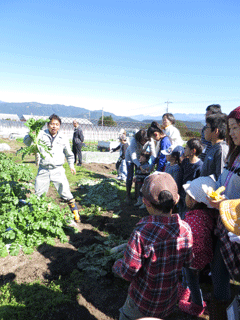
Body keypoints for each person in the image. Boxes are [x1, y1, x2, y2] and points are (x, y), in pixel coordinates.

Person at [112, 172, 193, 320]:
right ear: (177, 199)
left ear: (145, 201)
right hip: (168, 302)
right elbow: (188, 262)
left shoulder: (141, 233)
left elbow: (128, 272)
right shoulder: (186, 229)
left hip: (143, 302)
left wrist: (116, 265)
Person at [206, 106, 240, 319]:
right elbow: (223, 180)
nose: (233, 132)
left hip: (237, 226)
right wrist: (212, 191)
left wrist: (228, 204)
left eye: (236, 127)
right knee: (219, 269)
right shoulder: (234, 155)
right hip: (225, 223)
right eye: (230, 128)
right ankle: (221, 308)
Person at [24, 114, 80, 222]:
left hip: (58, 169)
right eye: (52, 124)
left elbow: (69, 154)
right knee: (38, 193)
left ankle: (75, 213)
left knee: (65, 192)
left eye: (57, 124)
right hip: (43, 169)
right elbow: (26, 143)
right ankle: (35, 216)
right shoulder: (40, 134)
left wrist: (71, 166)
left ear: (59, 126)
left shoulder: (63, 137)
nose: (54, 126)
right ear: (48, 125)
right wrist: (31, 134)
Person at [178, 176, 218, 316]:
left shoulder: (194, 218)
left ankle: (197, 306)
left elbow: (196, 243)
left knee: (193, 282)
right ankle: (185, 293)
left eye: (188, 196)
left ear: (194, 200)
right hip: (201, 259)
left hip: (193, 259)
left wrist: (187, 256)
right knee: (191, 279)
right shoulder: (205, 214)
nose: (185, 198)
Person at [178, 138, 203, 219]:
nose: (184, 150)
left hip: (190, 197)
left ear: (193, 151)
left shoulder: (200, 166)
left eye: (186, 148)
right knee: (180, 213)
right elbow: (180, 177)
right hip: (181, 193)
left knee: (187, 215)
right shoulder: (185, 162)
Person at [200, 113, 228, 180]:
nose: (204, 130)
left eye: (207, 127)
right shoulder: (213, 147)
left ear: (216, 131)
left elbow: (221, 178)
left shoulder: (221, 150)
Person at [125, 129, 149, 203]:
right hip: (130, 158)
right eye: (143, 141)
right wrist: (140, 166)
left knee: (138, 176)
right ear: (139, 139)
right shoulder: (133, 142)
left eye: (145, 141)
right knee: (130, 175)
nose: (144, 142)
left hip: (140, 158)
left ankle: (137, 195)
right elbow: (133, 157)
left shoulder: (147, 140)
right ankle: (128, 195)